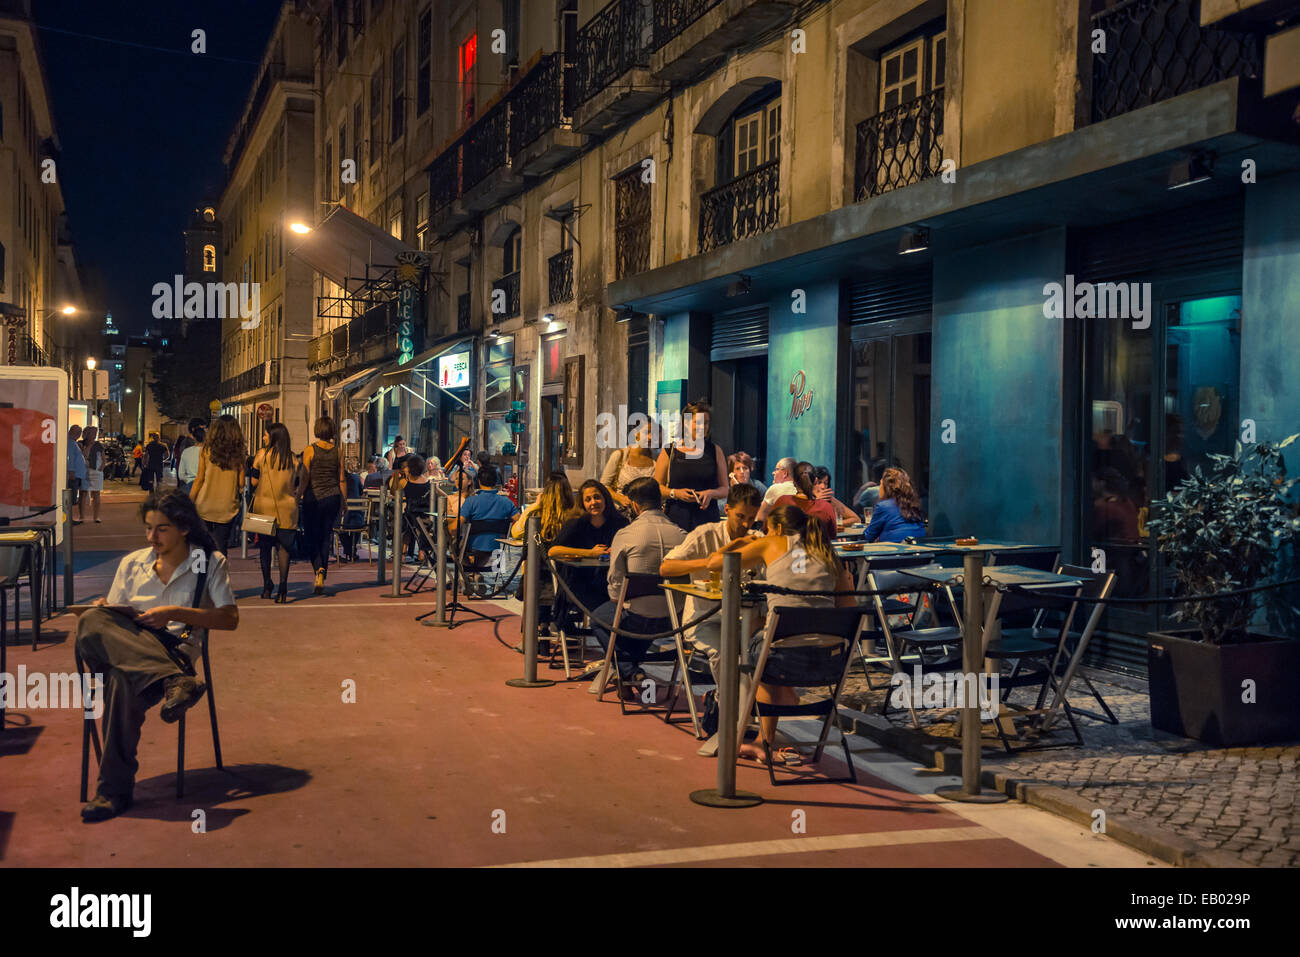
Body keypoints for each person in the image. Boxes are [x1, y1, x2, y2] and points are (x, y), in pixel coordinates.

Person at [75, 490, 238, 820]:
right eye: (148, 529)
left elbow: (230, 619)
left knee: (121, 681)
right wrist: (108, 609)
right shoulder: (132, 563)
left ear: (183, 527)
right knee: (91, 620)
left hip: (174, 648)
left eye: (161, 529)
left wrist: (177, 612)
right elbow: (112, 622)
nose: (152, 537)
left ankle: (112, 792)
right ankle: (174, 683)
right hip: (135, 649)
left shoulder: (209, 563)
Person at [706, 503, 854, 764]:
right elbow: (848, 609)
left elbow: (715, 563)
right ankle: (780, 701)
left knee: (756, 642)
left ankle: (763, 738)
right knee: (771, 635)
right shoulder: (828, 552)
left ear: (775, 528)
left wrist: (739, 542)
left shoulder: (770, 544)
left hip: (782, 658)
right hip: (829, 661)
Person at [660, 483, 762, 702]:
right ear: (727, 511)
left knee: (766, 652)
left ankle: (745, 707)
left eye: (752, 518)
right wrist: (707, 563)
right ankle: (732, 709)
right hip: (705, 620)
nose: (746, 524)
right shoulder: (706, 534)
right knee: (724, 652)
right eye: (741, 516)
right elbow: (666, 567)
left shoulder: (757, 540)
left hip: (746, 621)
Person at [585, 477, 685, 690]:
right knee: (627, 615)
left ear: (635, 505)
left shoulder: (626, 534)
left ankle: (628, 670)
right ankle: (628, 673)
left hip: (637, 617)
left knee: (600, 619)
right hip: (673, 619)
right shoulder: (681, 534)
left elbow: (615, 585)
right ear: (661, 502)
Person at [549, 480, 629, 622]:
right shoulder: (575, 523)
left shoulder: (619, 523)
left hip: (610, 581)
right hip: (579, 582)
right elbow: (553, 551)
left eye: (597, 497)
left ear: (605, 498)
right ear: (582, 503)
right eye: (588, 499)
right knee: (609, 614)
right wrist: (590, 553)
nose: (593, 502)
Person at [655, 400, 729, 533]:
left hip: (707, 518)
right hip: (676, 518)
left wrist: (711, 493)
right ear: (686, 423)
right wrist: (675, 493)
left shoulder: (715, 451)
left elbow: (725, 489)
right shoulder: (670, 451)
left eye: (706, 423)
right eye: (698, 423)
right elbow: (656, 487)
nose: (703, 427)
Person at [251, 423, 299, 602]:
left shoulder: (262, 455)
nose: (263, 438)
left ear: (274, 437)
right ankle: (283, 588)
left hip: (263, 508)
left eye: (265, 435)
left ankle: (266, 586)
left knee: (265, 548)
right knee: (284, 549)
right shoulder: (293, 459)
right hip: (287, 509)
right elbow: (295, 484)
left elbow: (254, 482)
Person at [301, 416, 346, 596]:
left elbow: (305, 476)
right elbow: (341, 478)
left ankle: (318, 568)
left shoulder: (309, 450)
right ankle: (323, 571)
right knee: (326, 536)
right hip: (333, 497)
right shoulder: (338, 451)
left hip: (313, 497)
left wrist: (298, 494)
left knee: (312, 536)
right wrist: (344, 501)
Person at [449, 464, 519, 577]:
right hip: (496, 545)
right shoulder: (506, 502)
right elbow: (519, 521)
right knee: (485, 546)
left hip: (473, 544)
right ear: (495, 481)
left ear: (479, 481)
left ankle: (472, 574)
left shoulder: (471, 501)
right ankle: (475, 574)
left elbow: (455, 527)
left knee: (453, 546)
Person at [190, 414, 246, 554]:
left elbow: (199, 479)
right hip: (227, 506)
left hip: (204, 504)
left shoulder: (206, 450)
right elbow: (241, 483)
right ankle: (219, 574)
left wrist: (190, 501)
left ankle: (201, 574)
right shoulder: (239, 453)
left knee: (201, 546)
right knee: (221, 546)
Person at [599, 422, 658, 513]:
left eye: (654, 433)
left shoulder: (656, 459)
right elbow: (604, 486)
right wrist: (620, 498)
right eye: (647, 432)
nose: (650, 437)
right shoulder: (620, 456)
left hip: (648, 514)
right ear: (635, 433)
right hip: (621, 513)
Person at [772, 461, 838, 542]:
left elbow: (767, 529)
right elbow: (832, 535)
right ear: (815, 481)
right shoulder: (826, 507)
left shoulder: (782, 501)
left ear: (794, 482)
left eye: (826, 483)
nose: (823, 487)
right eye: (820, 483)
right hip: (816, 553)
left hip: (787, 552)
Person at [862, 467, 927, 543]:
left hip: (895, 551)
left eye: (881, 484)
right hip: (919, 549)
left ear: (886, 487)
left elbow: (869, 536)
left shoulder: (883, 506)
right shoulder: (913, 503)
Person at [755, 456, 798, 524]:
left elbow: (760, 517)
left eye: (776, 469)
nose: (773, 473)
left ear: (785, 473)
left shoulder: (775, 488)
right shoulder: (803, 489)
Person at [80, 426, 106, 523]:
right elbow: (84, 455)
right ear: (87, 434)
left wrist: (102, 466)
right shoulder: (82, 443)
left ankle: (96, 516)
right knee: (83, 493)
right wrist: (90, 446)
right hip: (85, 471)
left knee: (96, 494)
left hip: (96, 471)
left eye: (95, 433)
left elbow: (103, 457)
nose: (94, 435)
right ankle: (82, 516)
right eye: (92, 433)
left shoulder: (99, 445)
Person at [176, 420, 206, 494]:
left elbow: (181, 475)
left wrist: (189, 480)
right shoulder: (209, 452)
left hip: (189, 484)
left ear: (194, 437)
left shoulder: (186, 451)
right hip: (205, 486)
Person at [67, 425, 88, 524]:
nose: (79, 435)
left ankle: (69, 518)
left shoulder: (73, 443)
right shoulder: (71, 443)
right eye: (78, 432)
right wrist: (71, 471)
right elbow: (70, 458)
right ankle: (68, 519)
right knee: (71, 498)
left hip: (76, 475)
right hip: (73, 475)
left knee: (72, 498)